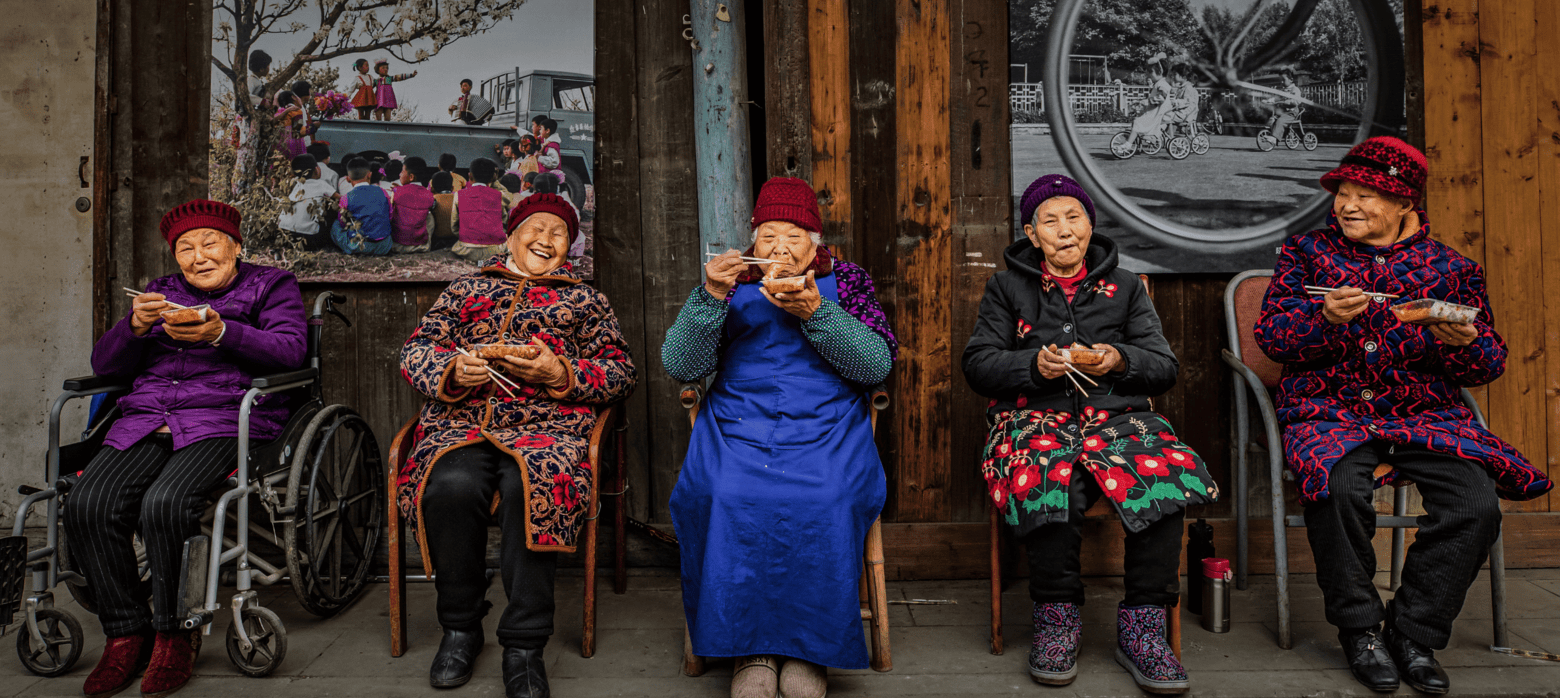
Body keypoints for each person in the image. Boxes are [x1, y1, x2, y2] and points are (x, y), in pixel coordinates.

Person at [1253, 136, 1551, 695]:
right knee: (1336, 490)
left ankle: (1415, 633)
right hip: (1329, 410)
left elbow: (1487, 364)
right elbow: (1273, 338)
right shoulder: (1305, 255)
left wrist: (1462, 341)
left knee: (1475, 503)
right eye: (1343, 193)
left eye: (1365, 195)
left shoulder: (1453, 269)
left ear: (1404, 205)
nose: (1347, 206)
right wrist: (1324, 318)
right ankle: (1362, 629)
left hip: (1424, 415)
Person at [963, 174, 1213, 695]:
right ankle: (1057, 620)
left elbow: (1164, 367)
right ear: (1032, 236)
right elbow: (979, 366)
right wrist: (1035, 366)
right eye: (1049, 221)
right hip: (1031, 419)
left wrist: (1119, 359)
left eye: (1073, 217)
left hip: (1117, 420)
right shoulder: (1006, 287)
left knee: (1165, 473)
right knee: (1047, 474)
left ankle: (1143, 626)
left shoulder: (1124, 288)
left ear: (1090, 224)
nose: (1064, 230)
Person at [662, 177, 896, 698]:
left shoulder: (848, 280)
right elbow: (682, 365)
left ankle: (810, 650)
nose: (780, 249)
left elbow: (876, 365)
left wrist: (817, 313)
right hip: (737, 427)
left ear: (816, 241)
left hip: (827, 428)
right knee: (728, 494)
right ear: (752, 241)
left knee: (825, 495)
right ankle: (753, 649)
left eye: (795, 236)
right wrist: (710, 295)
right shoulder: (730, 281)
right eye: (769, 236)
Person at [65, 200, 306, 698]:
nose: (198, 256)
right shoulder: (158, 293)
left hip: (225, 417)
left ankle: (176, 632)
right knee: (89, 503)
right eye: (185, 248)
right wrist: (132, 327)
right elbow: (107, 367)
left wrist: (220, 330)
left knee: (167, 503)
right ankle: (126, 632)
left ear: (236, 247)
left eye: (209, 243)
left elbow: (290, 351)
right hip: (148, 418)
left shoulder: (271, 285)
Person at [399, 193, 635, 698]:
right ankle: (460, 626)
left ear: (570, 248)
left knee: (533, 488)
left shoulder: (585, 300)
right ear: (510, 236)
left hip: (550, 429)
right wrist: (450, 370)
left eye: (559, 234)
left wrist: (561, 371)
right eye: (536, 228)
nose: (546, 240)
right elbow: (418, 348)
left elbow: (620, 372)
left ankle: (524, 644)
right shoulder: (466, 289)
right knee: (451, 487)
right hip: (462, 423)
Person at [332, 157, 393, 255]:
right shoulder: (383, 192)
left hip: (358, 247)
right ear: (369, 175)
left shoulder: (345, 198)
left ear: (348, 178)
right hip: (384, 246)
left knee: (335, 225)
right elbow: (390, 215)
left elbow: (342, 222)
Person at [451, 157, 507, 262]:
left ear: (470, 175)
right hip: (494, 250)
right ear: (492, 178)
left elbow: (454, 225)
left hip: (467, 249)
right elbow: (504, 220)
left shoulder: (459, 194)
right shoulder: (499, 195)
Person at [279, 154, 337, 249]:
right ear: (316, 169)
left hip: (285, 236)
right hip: (310, 240)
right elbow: (341, 198)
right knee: (331, 206)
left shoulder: (296, 183)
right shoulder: (321, 184)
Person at [1126, 53, 1176, 147]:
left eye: (1151, 72)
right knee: (1138, 120)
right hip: (1155, 111)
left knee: (1138, 122)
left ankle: (1128, 145)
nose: (1149, 75)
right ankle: (1140, 139)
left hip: (1158, 113)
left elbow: (1161, 98)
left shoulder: (1162, 84)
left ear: (1159, 72)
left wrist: (1147, 102)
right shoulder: (1158, 84)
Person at [392, 157, 437, 254]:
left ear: (411, 177)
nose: (400, 174)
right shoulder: (429, 195)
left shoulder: (396, 191)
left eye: (402, 171)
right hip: (420, 246)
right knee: (430, 216)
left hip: (397, 245)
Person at [1267, 72, 1304, 141]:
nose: (1281, 82)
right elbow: (1277, 98)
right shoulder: (1283, 90)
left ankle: (1274, 138)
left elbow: (1297, 100)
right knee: (1272, 120)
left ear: (1291, 80)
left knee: (1280, 121)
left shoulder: (1295, 90)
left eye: (1283, 80)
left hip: (1291, 112)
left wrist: (1291, 101)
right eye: (1281, 80)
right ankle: (1271, 134)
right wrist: (1269, 100)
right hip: (1283, 112)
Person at [273, 90, 306, 160]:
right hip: (293, 147)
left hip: (279, 146)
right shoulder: (296, 111)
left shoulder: (279, 112)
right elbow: (297, 132)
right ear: (293, 97)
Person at [431, 171, 458, 249]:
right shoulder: (458, 198)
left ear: (432, 189)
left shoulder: (433, 199)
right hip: (455, 238)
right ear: (452, 188)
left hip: (437, 239)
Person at [533, 117, 564, 184]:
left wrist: (539, 158)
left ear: (547, 131)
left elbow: (554, 162)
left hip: (549, 179)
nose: (539, 131)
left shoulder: (552, 146)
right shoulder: (545, 142)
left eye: (541, 129)